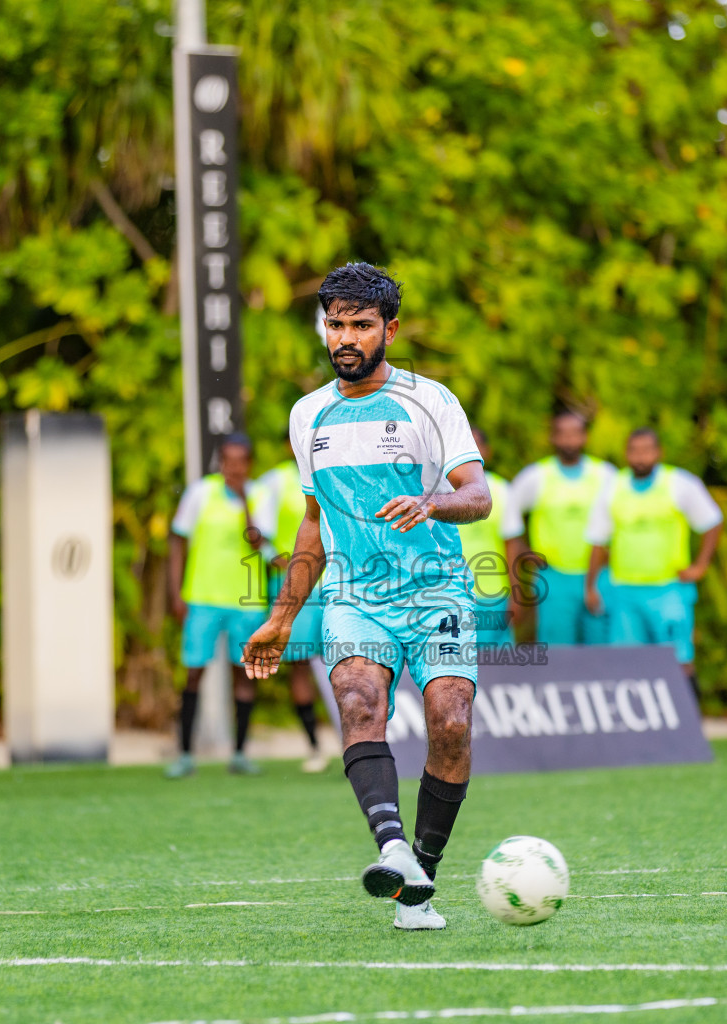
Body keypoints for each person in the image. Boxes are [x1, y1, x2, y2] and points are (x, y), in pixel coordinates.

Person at [242, 262, 491, 931]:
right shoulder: (307, 414)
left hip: (436, 590)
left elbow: (478, 495)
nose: (345, 338)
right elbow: (312, 521)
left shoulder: (429, 401)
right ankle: (391, 848)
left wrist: (433, 502)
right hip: (354, 595)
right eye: (335, 324)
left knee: (451, 722)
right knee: (357, 700)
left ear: (390, 329)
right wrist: (281, 618)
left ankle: (419, 883)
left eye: (360, 324)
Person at [585, 428, 723, 697]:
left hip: (668, 589)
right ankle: (637, 719)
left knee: (679, 658)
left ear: (659, 452)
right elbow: (598, 542)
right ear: (626, 454)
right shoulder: (613, 488)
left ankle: (688, 716)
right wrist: (591, 586)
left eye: (647, 451)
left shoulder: (680, 484)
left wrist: (700, 565)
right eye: (634, 451)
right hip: (624, 590)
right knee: (627, 662)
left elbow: (712, 522)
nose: (640, 458)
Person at [166, 433, 274, 778]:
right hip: (203, 599)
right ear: (220, 462)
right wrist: (176, 593)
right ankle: (185, 754)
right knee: (194, 672)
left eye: (241, 462)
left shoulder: (261, 495)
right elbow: (177, 541)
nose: (234, 469)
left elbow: (258, 542)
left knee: (244, 674)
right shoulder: (200, 492)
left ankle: (239, 753)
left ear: (249, 464)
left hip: (246, 601)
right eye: (228, 461)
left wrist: (245, 504)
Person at [503, 412, 616, 644]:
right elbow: (508, 517)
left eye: (575, 434)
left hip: (599, 576)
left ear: (585, 437)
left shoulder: (605, 475)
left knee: (601, 650)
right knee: (557, 650)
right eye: (562, 434)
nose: (569, 440)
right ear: (552, 438)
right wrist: (524, 551)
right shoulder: (536, 476)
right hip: (554, 577)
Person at [258, 440, 329, 773]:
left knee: (353, 660)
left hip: (340, 581)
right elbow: (258, 533)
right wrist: (284, 563)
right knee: (301, 663)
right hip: (299, 586)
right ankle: (315, 747)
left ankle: (360, 743)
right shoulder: (276, 480)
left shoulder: (335, 469)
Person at [456, 427, 514, 649]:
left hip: (493, 593)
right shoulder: (438, 488)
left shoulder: (501, 489)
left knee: (496, 660)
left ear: (487, 451)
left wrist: (516, 595)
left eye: (476, 444)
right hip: (451, 594)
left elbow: (512, 544)